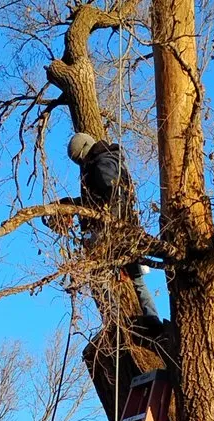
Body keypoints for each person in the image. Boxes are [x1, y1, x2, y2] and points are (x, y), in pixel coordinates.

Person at [66, 132, 162, 323]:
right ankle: (152, 320)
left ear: (85, 149)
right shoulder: (109, 160)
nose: (81, 164)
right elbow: (99, 200)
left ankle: (116, 322)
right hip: (126, 227)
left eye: (79, 159)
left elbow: (113, 195)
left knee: (98, 276)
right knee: (136, 279)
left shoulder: (101, 164)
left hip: (114, 230)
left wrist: (109, 230)